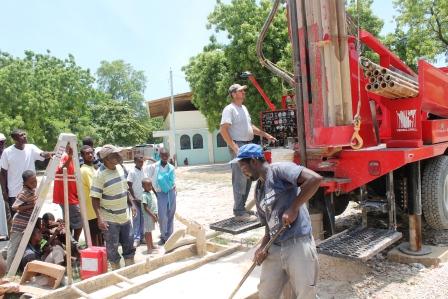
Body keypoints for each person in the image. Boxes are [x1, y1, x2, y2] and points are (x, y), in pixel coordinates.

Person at [232, 143, 322, 299]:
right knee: (266, 293)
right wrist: (262, 248)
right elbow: (269, 227)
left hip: (297, 242)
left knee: (306, 294)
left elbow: (315, 179)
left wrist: (293, 208)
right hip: (274, 246)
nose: (242, 171)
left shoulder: (279, 170)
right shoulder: (259, 190)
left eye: (243, 166)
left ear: (254, 161)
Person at [220, 84, 276, 220]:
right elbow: (223, 129)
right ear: (233, 94)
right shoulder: (229, 109)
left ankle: (242, 208)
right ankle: (239, 211)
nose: (244, 92)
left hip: (248, 145)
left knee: (250, 177)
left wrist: (265, 134)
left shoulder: (243, 108)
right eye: (241, 91)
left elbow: (250, 127)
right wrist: (234, 147)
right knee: (240, 178)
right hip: (238, 145)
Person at [91, 144, 137, 270]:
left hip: (125, 216)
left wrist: (132, 204)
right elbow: (94, 199)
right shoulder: (99, 175)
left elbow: (125, 189)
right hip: (110, 219)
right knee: (112, 248)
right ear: (106, 158)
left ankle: (130, 270)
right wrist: (100, 218)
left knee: (129, 245)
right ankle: (116, 272)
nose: (118, 156)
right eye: (114, 155)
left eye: (118, 153)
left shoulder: (120, 168)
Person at [0, 129, 51, 223]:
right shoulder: (7, 152)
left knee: (31, 220)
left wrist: (48, 154)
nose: (24, 136)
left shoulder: (31, 148)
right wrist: (4, 191)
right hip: (14, 192)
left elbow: (42, 154)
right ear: (14, 138)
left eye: (24, 134)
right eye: (21, 135)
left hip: (30, 192)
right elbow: (3, 173)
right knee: (17, 220)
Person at [6, 170, 37, 270]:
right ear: (25, 183)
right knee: (13, 248)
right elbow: (14, 207)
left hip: (24, 224)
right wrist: (32, 205)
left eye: (35, 181)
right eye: (31, 182)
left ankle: (3, 261)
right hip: (19, 224)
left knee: (11, 245)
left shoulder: (31, 190)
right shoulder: (24, 192)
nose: (34, 183)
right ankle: (7, 272)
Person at [145, 148, 175, 245]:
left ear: (169, 155)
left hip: (171, 193)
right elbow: (148, 180)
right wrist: (155, 193)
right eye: (163, 155)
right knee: (162, 216)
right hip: (160, 193)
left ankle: (170, 235)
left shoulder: (171, 167)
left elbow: (173, 181)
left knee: (170, 214)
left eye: (166, 155)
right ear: (160, 156)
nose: (165, 157)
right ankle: (163, 236)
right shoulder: (154, 167)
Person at [53, 144, 82, 241]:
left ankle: (71, 244)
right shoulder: (63, 156)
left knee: (69, 221)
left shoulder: (71, 158)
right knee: (78, 220)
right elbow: (61, 171)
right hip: (66, 195)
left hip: (71, 194)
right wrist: (69, 157)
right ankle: (75, 243)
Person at [80, 145, 103, 246]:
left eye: (91, 153)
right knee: (94, 240)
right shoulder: (85, 170)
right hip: (91, 212)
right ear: (82, 156)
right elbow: (94, 188)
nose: (90, 155)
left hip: (95, 210)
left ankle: (102, 260)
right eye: (87, 153)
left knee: (100, 238)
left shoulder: (92, 168)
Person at [127, 154, 145, 247]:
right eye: (139, 161)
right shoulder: (132, 171)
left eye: (142, 161)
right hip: (135, 200)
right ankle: (136, 238)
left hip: (142, 199)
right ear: (135, 162)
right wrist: (134, 198)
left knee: (143, 219)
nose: (141, 163)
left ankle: (142, 237)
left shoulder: (142, 170)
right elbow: (129, 185)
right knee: (136, 219)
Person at [141, 179, 158, 253]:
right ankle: (149, 248)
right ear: (143, 186)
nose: (150, 187)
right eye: (148, 185)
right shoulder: (144, 195)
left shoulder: (150, 193)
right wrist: (153, 216)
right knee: (147, 232)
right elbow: (145, 207)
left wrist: (155, 214)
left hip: (151, 215)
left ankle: (151, 245)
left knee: (150, 231)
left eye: (150, 185)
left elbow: (153, 205)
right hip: (148, 216)